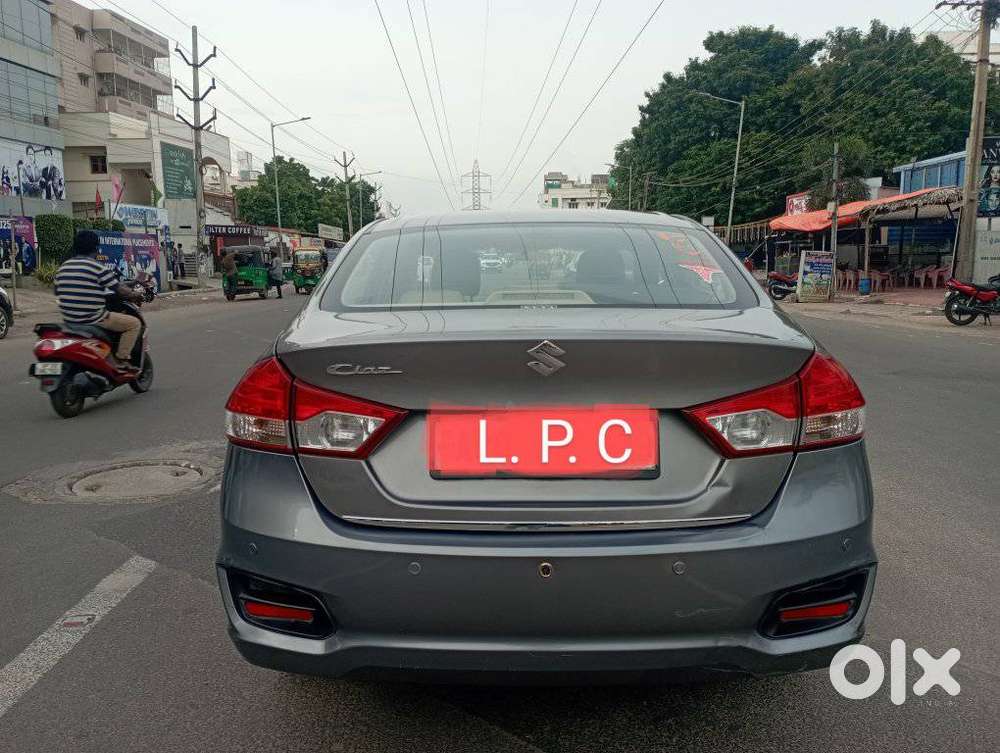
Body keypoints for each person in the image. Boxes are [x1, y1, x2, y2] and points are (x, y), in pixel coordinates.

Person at [54, 231, 143, 373]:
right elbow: (119, 289)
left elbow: (57, 291)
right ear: (96, 248)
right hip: (95, 319)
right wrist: (135, 295)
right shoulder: (97, 267)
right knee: (134, 324)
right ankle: (122, 360)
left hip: (70, 321)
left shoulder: (63, 268)